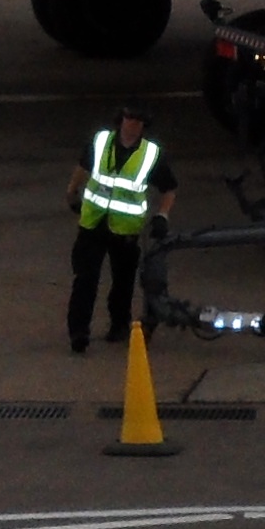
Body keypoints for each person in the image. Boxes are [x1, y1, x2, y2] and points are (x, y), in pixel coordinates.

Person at [66, 104, 176, 354]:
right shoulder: (102, 141)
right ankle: (79, 332)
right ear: (121, 119)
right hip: (93, 224)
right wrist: (72, 193)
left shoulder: (150, 154)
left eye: (138, 121)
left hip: (125, 230)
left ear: (143, 126)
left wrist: (162, 216)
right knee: (85, 279)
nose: (132, 125)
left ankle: (119, 325)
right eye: (129, 119)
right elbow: (83, 167)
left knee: (123, 282)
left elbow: (169, 188)